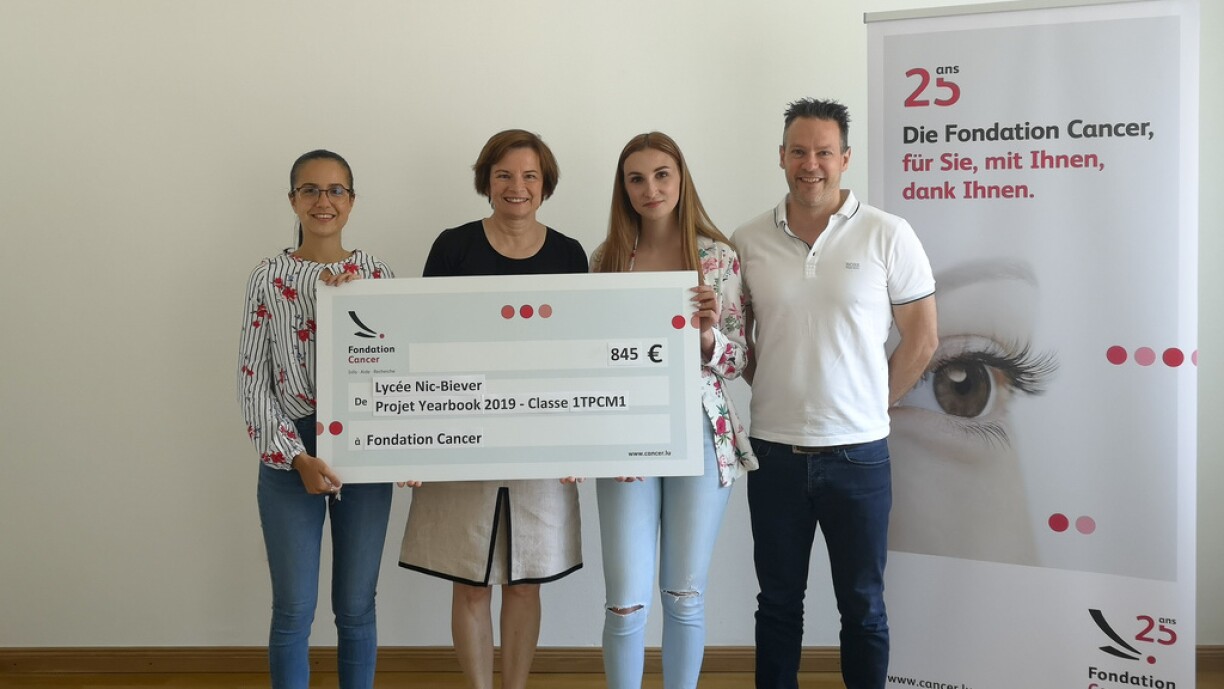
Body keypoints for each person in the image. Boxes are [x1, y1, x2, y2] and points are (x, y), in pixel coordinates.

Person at [732, 99, 939, 689]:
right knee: (777, 605)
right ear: (781, 157)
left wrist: (872, 403)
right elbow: (739, 343)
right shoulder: (746, 240)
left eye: (824, 152)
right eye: (799, 151)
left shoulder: (888, 233)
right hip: (773, 453)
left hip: (860, 455)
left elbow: (923, 338)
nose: (811, 164)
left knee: (863, 606)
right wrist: (779, 382)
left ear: (845, 158)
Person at [398, 129, 586, 689]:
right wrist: (413, 440)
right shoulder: (453, 246)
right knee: (470, 582)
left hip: (542, 439)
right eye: (504, 174)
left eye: (529, 175)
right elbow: (423, 345)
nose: (516, 186)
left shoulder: (569, 254)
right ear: (486, 181)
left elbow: (582, 354)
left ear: (545, 184)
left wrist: (585, 440)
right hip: (460, 433)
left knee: (526, 582)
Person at [590, 132, 757, 689]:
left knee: (684, 595)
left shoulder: (717, 257)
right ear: (624, 188)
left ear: (681, 178)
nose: (651, 189)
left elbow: (737, 360)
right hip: (625, 435)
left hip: (701, 433)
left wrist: (708, 336)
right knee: (625, 604)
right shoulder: (607, 260)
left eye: (662, 175)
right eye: (636, 179)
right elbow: (590, 357)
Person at [237, 149, 394, 689]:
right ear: (293, 200)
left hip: (364, 448)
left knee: (356, 606)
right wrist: (297, 457)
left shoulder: (376, 275)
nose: (323, 201)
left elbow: (396, 370)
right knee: (293, 610)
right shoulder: (267, 277)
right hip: (291, 449)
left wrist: (406, 447)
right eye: (310, 190)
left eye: (335, 190)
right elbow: (253, 378)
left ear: (352, 200)